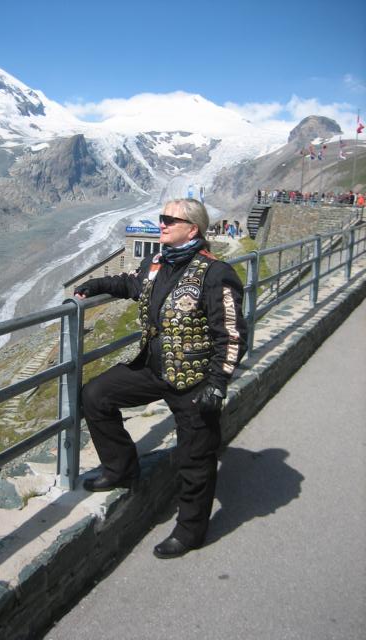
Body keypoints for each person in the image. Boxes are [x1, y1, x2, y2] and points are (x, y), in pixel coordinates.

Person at [74, 198, 247, 559]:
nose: (162, 224)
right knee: (96, 395)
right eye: (161, 217)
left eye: (170, 219)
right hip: (153, 369)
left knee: (195, 457)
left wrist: (217, 383)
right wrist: (96, 284)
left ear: (193, 228)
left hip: (195, 379)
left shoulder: (216, 274)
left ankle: (190, 531)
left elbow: (231, 335)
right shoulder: (158, 263)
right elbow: (132, 284)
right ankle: (121, 469)